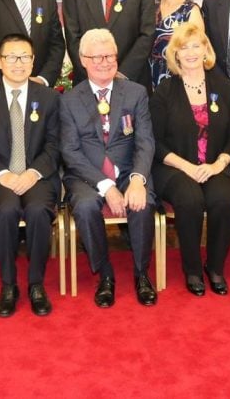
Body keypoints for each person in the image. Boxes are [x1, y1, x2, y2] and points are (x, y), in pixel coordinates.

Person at [60, 29, 157, 307]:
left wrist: (138, 179)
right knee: (87, 207)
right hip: (87, 175)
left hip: (128, 170)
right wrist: (106, 186)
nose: (104, 62)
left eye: (110, 56)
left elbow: (145, 141)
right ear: (83, 60)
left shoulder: (136, 93)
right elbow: (70, 151)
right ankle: (105, 275)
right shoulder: (68, 100)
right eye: (97, 57)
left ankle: (141, 274)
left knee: (142, 202)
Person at [0, 34, 61, 316]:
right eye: (11, 57)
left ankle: (36, 284)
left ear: (33, 61)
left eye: (25, 57)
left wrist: (33, 173)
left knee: (36, 210)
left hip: (38, 176)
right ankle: (8, 285)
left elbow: (55, 143)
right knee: (7, 210)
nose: (18, 63)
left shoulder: (48, 97)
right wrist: (3, 174)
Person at [149, 23, 230, 296]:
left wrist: (217, 165)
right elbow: (155, 141)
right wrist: (188, 166)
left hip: (216, 165)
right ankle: (191, 270)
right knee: (189, 199)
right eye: (183, 47)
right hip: (175, 167)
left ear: (206, 50)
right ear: (175, 54)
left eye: (196, 45)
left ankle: (214, 267)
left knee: (224, 199)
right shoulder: (165, 90)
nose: (190, 52)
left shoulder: (223, 87)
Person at [149, 0, 203, 90]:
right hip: (150, 76)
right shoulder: (150, 8)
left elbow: (197, 50)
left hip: (180, 77)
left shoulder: (191, 11)